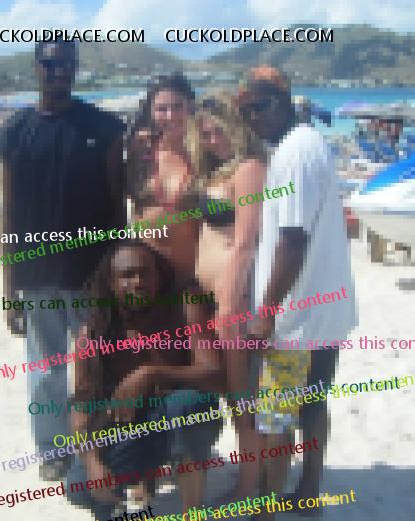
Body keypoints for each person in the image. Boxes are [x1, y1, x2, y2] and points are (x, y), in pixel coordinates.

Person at [0, 38, 125, 481]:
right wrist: (9, 289)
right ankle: (52, 449)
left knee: (97, 365)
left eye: (66, 64)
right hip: (38, 275)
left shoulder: (104, 128)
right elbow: (8, 213)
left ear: (76, 69)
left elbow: (117, 207)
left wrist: (115, 275)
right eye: (50, 65)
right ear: (36, 69)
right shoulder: (15, 133)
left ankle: (99, 444)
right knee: (46, 372)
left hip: (91, 274)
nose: (58, 72)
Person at [237, 66, 357, 516]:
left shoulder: (294, 152)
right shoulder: (310, 143)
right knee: (313, 403)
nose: (254, 118)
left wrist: (266, 312)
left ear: (285, 100)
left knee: (275, 416)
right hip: (322, 310)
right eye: (246, 111)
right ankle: (308, 491)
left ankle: (266, 507)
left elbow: (291, 238)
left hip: (295, 318)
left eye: (261, 106)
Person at [66, 241, 225, 520]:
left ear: (158, 276)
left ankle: (192, 511)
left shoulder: (183, 305)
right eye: (127, 275)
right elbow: (81, 407)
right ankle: (117, 501)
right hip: (130, 425)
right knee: (80, 486)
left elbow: (215, 375)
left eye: (144, 273)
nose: (138, 282)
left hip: (177, 414)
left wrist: (151, 373)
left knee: (191, 406)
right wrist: (92, 462)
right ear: (111, 284)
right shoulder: (95, 332)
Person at [187, 93, 268, 500]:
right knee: (228, 392)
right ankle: (247, 477)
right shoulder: (216, 171)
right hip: (209, 296)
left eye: (220, 131)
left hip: (232, 301)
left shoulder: (250, 169)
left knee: (242, 398)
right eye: (206, 134)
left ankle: (249, 487)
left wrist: (229, 303)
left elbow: (245, 242)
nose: (214, 140)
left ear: (237, 128)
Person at [127, 73, 198, 286]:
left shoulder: (205, 156)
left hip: (190, 282)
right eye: (161, 109)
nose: (170, 116)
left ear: (190, 107)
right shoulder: (139, 154)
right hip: (146, 283)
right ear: (150, 112)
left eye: (177, 107)